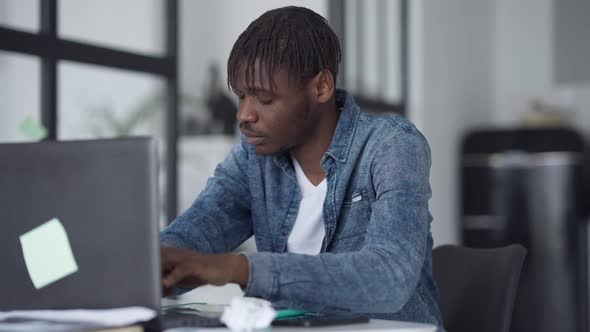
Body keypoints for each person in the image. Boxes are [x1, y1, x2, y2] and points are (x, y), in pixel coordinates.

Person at [160, 5, 444, 330]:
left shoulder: (391, 146)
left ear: (321, 86)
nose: (244, 115)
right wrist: (154, 261)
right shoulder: (253, 159)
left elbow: (388, 278)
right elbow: (193, 234)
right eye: (241, 96)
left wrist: (242, 269)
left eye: (264, 99)